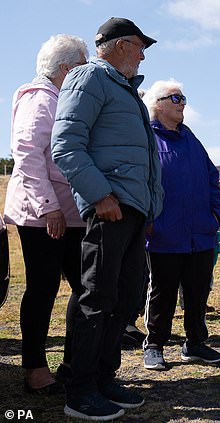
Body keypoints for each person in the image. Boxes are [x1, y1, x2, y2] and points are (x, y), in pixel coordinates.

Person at [51, 17, 163, 420]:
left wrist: (151, 206)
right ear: (119, 45)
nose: (143, 53)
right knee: (96, 297)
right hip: (110, 207)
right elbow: (64, 145)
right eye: (138, 45)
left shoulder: (126, 90)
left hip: (133, 209)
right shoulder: (88, 79)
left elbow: (145, 159)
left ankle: (103, 377)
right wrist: (100, 196)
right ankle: (79, 390)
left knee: (127, 294)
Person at [3, 34, 88, 395]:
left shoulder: (59, 98)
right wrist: (48, 206)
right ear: (66, 69)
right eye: (82, 66)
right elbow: (28, 155)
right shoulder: (39, 100)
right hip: (43, 214)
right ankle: (36, 370)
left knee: (84, 285)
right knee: (43, 287)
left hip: (68, 213)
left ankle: (72, 362)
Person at [141, 80, 220, 371]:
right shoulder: (146, 140)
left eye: (183, 98)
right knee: (162, 292)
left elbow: (212, 178)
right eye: (175, 98)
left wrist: (217, 215)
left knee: (197, 291)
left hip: (201, 233)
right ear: (158, 104)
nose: (182, 103)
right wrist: (149, 221)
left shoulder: (192, 139)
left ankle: (196, 343)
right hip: (164, 234)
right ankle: (154, 345)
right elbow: (141, 182)